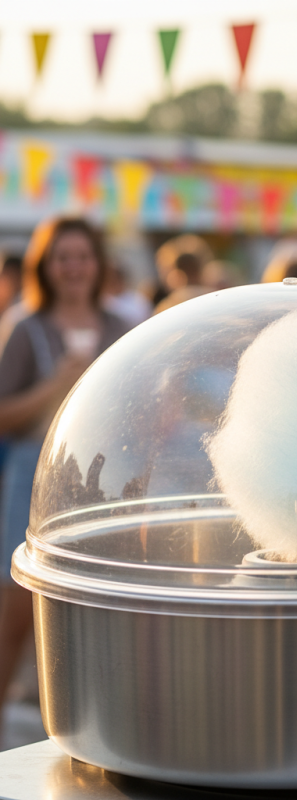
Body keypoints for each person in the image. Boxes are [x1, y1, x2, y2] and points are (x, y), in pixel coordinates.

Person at [0, 217, 129, 738]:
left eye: (83, 256)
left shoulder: (121, 327)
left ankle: (99, 732)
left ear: (97, 263)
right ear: (46, 265)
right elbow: (5, 413)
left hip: (101, 484)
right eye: (63, 257)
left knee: (99, 612)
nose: (74, 267)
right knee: (14, 614)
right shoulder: (25, 327)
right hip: (32, 475)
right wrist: (56, 383)